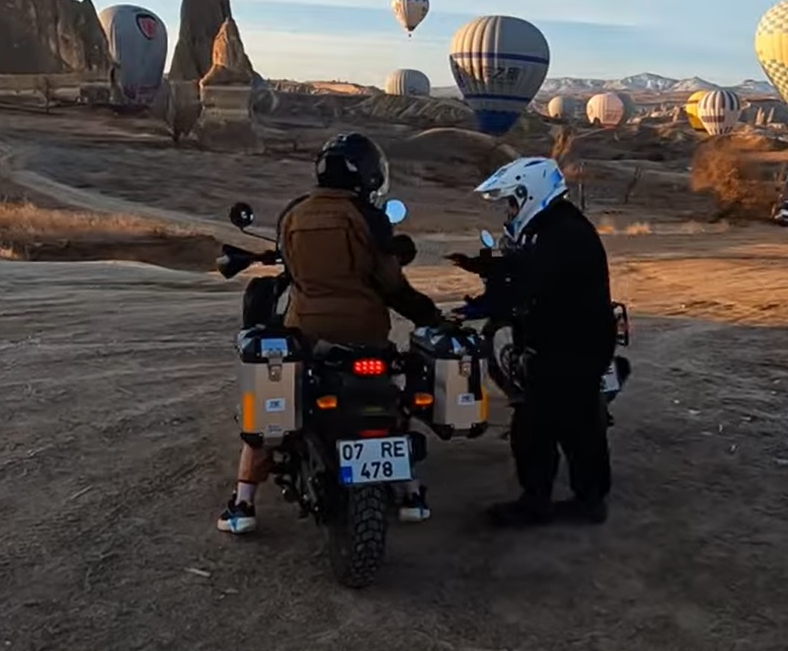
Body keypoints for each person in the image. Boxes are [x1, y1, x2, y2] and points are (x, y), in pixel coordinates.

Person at [218, 133, 446, 535]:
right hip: (367, 334)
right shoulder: (370, 218)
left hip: (308, 332)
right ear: (371, 175)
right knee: (393, 400)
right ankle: (410, 493)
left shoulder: (294, 214)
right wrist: (429, 315)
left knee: (274, 404)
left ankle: (242, 504)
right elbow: (391, 284)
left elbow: (290, 265)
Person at [446, 157, 617, 528]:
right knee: (578, 423)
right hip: (574, 340)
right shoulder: (552, 226)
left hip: (571, 344)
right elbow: (523, 265)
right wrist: (483, 266)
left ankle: (537, 503)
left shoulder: (563, 233)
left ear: (529, 194)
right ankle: (589, 499)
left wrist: (480, 307)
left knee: (537, 426)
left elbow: (530, 282)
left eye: (510, 201)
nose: (508, 210)